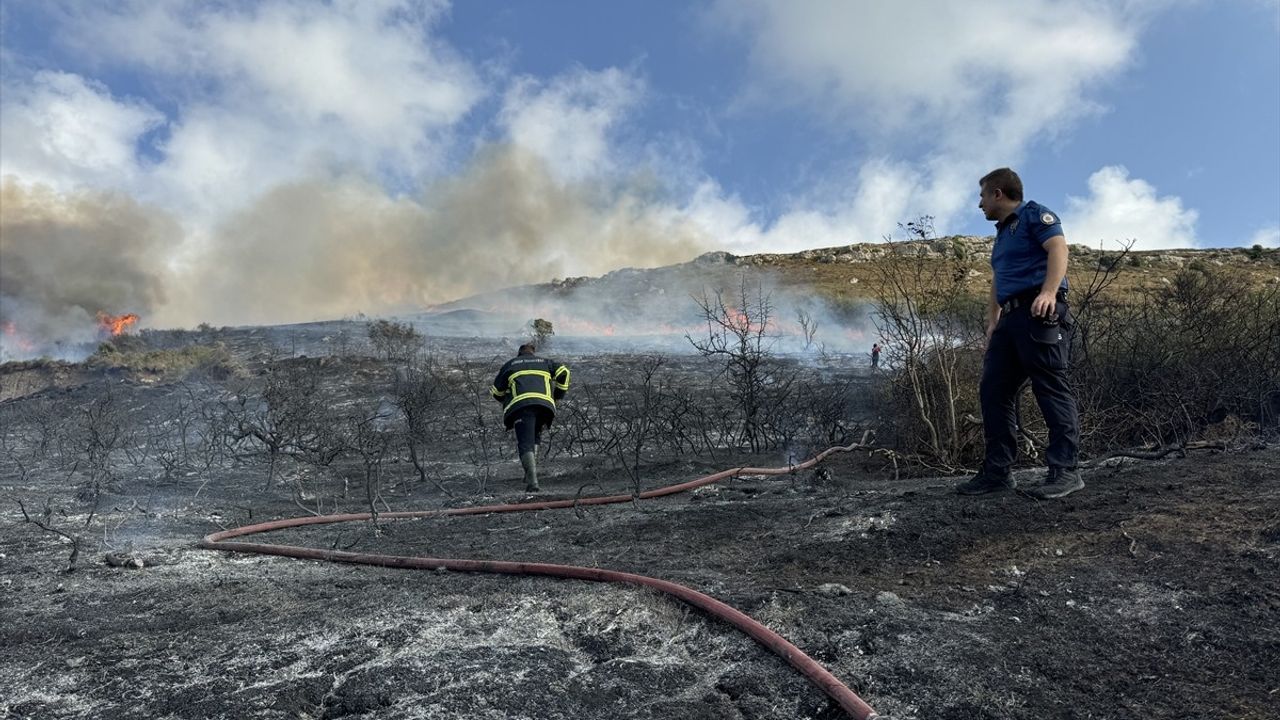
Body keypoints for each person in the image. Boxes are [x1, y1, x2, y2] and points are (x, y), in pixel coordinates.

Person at [956, 168, 1083, 499]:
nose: (980, 203)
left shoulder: (1033, 215)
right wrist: (992, 321)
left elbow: (1058, 249)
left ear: (998, 193)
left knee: (1050, 387)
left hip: (1038, 313)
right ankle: (998, 473)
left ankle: (1065, 471)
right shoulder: (1002, 234)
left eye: (982, 195)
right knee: (993, 390)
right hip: (1009, 321)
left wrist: (1049, 292)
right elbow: (999, 280)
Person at [490, 343, 570, 492]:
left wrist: (507, 399)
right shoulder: (546, 362)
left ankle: (533, 484)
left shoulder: (510, 365)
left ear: (519, 354)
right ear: (533, 353)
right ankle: (529, 475)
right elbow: (564, 372)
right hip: (545, 407)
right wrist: (558, 396)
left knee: (525, 442)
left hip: (522, 408)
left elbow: (496, 392)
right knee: (535, 436)